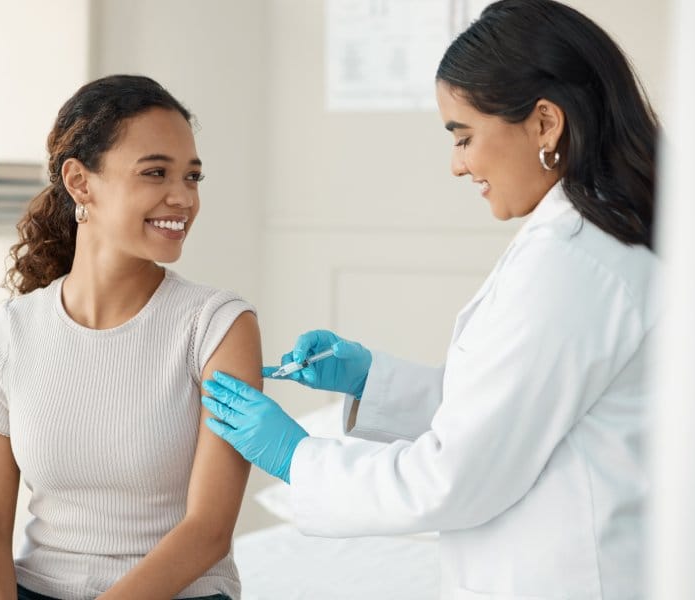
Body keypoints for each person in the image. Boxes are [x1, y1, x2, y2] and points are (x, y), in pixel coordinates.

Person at [201, 1, 659, 598]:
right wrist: (373, 382)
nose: (457, 165)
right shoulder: (591, 237)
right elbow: (516, 409)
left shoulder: (575, 259)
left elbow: (456, 476)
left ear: (546, 123)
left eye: (464, 137)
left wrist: (297, 457)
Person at [0, 74, 260, 600]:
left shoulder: (218, 327)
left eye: (192, 177)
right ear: (80, 182)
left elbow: (209, 531)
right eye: (155, 173)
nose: (182, 198)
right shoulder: (12, 333)